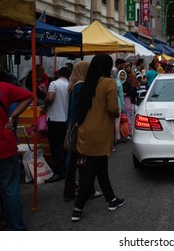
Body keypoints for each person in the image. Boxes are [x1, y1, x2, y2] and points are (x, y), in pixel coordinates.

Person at [71, 54, 125, 222]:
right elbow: (113, 109)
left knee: (100, 168)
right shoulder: (108, 83)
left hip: (85, 131)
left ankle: (111, 199)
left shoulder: (86, 83)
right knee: (89, 172)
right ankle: (78, 208)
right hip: (100, 133)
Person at [64, 61, 102, 202]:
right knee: (82, 159)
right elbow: (81, 110)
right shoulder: (81, 86)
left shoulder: (73, 85)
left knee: (73, 158)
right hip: (79, 127)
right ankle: (86, 189)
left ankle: (70, 190)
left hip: (71, 126)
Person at [0, 79, 33, 230]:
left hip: (6, 147)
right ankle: (17, 228)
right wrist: (12, 116)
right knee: (10, 189)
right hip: (5, 147)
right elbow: (28, 96)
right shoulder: (4, 87)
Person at [41, 66, 72, 182]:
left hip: (54, 119)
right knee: (65, 146)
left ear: (58, 74)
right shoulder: (70, 85)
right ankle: (66, 168)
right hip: (66, 120)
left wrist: (44, 108)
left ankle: (60, 171)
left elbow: (50, 97)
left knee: (56, 146)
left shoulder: (54, 84)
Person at [118, 69, 133, 138]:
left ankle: (129, 132)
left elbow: (131, 92)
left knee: (127, 118)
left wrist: (125, 94)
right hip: (119, 102)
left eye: (123, 75)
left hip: (126, 101)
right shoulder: (117, 83)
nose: (122, 76)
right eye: (121, 75)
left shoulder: (127, 83)